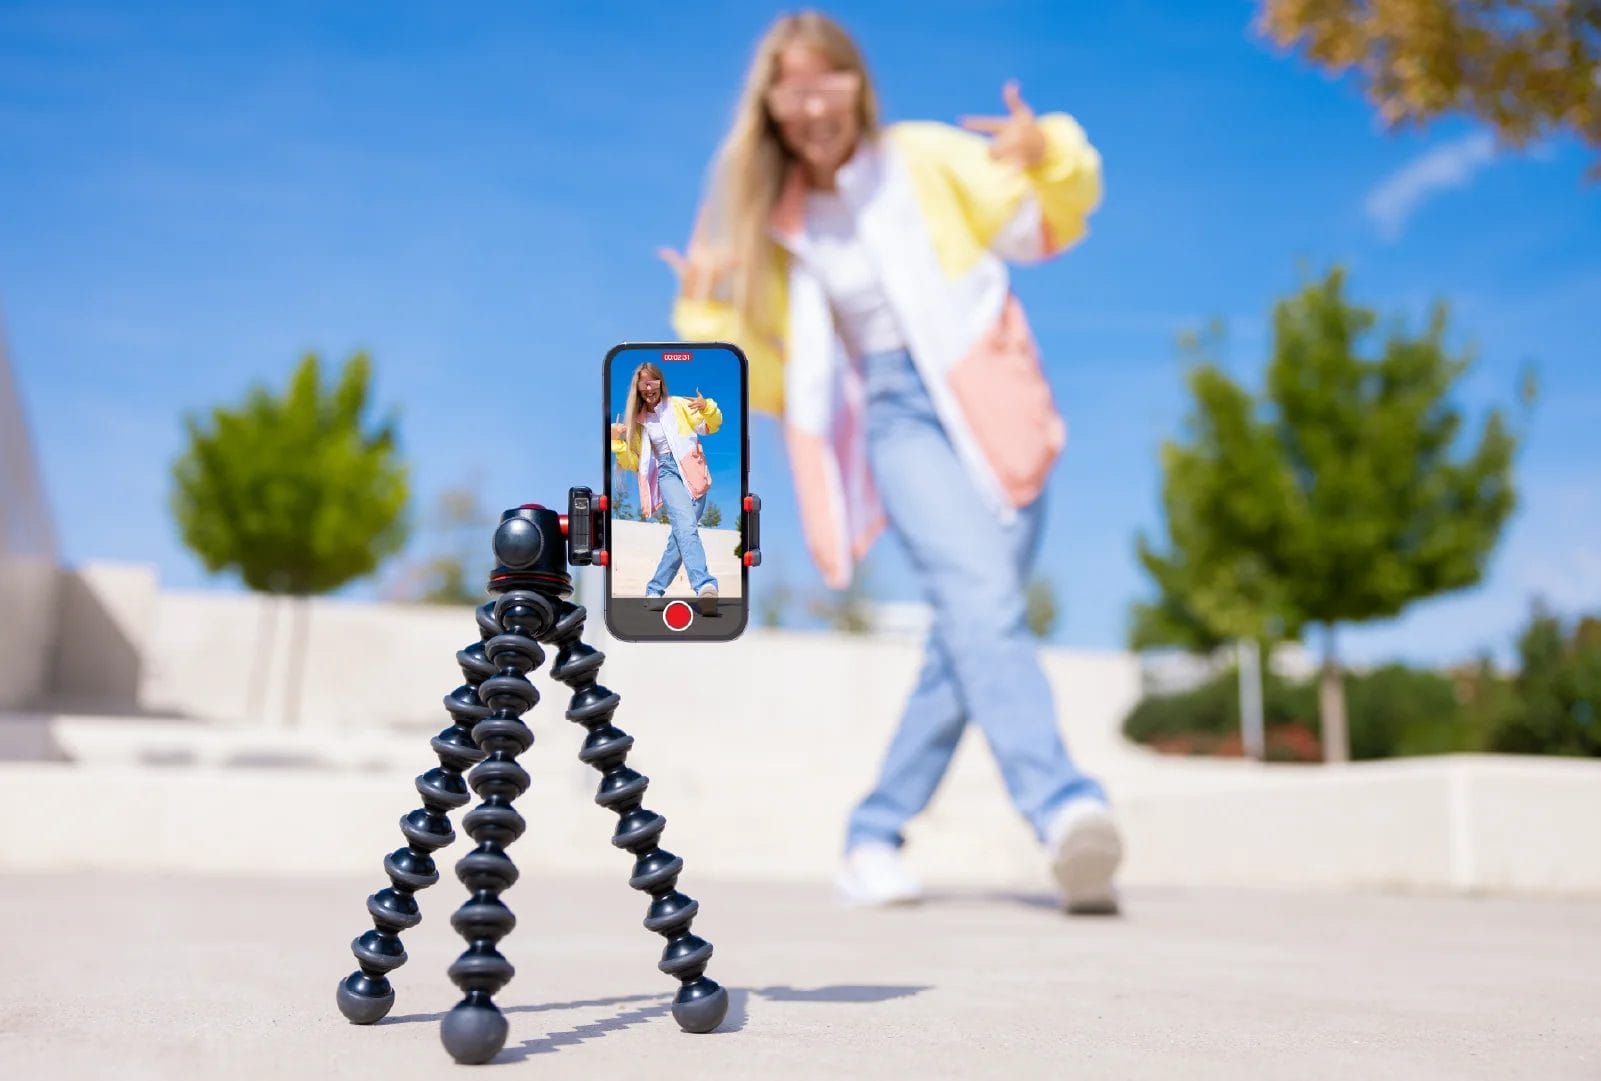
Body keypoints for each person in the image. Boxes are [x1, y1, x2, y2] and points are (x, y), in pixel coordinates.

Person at [660, 9, 1123, 913]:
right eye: (791, 88)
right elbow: (770, 375)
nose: (813, 104)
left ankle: (871, 832)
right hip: (896, 417)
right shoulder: (774, 223)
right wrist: (709, 317)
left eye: (826, 81)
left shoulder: (922, 157)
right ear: (771, 107)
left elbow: (1036, 226)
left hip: (997, 403)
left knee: (968, 632)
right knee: (982, 604)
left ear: (856, 86)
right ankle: (1065, 807)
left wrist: (1048, 152)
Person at [611, 361, 723, 616]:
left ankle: (654, 589)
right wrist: (617, 442)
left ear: (660, 382)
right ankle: (704, 585)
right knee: (686, 526)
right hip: (668, 472)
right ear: (638, 389)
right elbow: (632, 461)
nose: (649, 388)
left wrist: (708, 408)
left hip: (694, 472)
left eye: (653, 382)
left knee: (681, 535)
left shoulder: (679, 406)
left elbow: (711, 426)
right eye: (643, 385)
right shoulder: (638, 423)